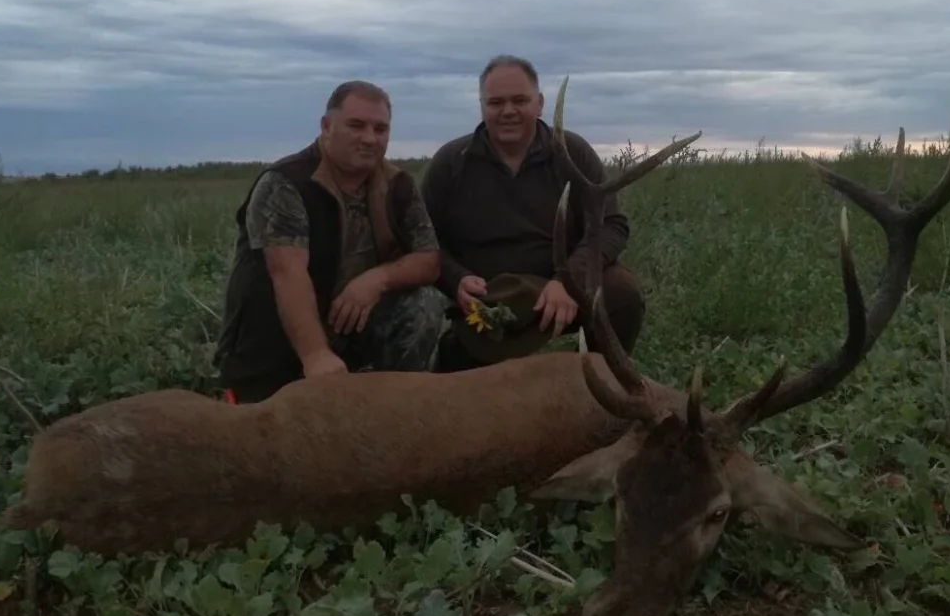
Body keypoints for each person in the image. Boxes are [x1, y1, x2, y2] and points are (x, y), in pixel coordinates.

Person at [214, 80, 443, 403]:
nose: (369, 138)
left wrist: (375, 280)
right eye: (356, 126)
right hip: (278, 333)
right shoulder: (285, 183)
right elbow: (287, 274)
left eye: (380, 129)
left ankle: (393, 404)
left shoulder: (398, 184)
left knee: (424, 305)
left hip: (349, 322)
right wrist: (316, 355)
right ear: (326, 126)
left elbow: (429, 260)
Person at [421, 54, 646, 371]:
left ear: (539, 104)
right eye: (496, 102)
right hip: (489, 297)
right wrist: (455, 280)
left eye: (520, 101)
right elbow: (423, 243)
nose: (508, 111)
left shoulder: (572, 152)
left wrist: (569, 280)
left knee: (621, 295)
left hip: (562, 285)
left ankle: (606, 385)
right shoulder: (451, 162)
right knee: (461, 390)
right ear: (482, 106)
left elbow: (610, 226)